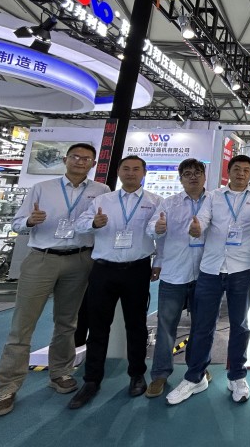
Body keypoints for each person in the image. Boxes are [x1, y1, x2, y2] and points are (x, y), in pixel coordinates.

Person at [0, 144, 109, 418]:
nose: (80, 161)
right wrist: (30, 221)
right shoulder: (42, 188)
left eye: (86, 159)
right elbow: (16, 223)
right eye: (75, 157)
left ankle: (61, 372)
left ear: (93, 163)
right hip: (42, 258)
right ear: (65, 159)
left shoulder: (101, 191)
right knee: (22, 325)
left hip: (80, 259)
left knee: (67, 322)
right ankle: (7, 387)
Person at [165, 154, 250, 406]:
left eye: (246, 170)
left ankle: (237, 376)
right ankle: (195, 377)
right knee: (203, 325)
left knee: (240, 325)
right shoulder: (214, 196)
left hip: (241, 270)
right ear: (228, 172)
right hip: (211, 269)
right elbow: (203, 219)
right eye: (236, 169)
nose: (241, 173)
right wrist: (197, 228)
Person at [69, 155, 163, 409]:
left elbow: (160, 234)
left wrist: (158, 262)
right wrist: (93, 223)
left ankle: (137, 374)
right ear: (119, 172)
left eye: (136, 169)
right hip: (103, 269)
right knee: (98, 326)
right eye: (126, 169)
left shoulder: (154, 201)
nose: (131, 173)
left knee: (136, 325)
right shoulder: (103, 200)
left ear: (144, 172)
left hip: (137, 269)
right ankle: (91, 380)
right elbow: (79, 225)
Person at [144, 158, 212, 398]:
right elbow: (153, 230)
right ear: (180, 178)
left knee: (203, 326)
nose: (193, 176)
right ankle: (160, 375)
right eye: (187, 173)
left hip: (206, 273)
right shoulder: (169, 203)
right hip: (174, 272)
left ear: (205, 176)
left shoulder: (214, 202)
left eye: (197, 172)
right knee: (166, 325)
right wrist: (158, 231)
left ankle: (198, 369)